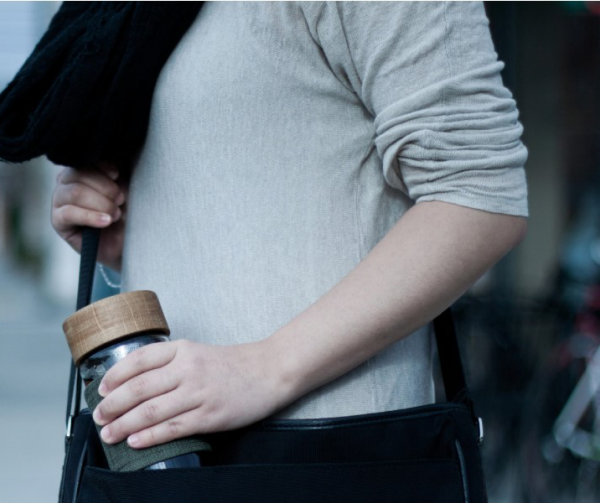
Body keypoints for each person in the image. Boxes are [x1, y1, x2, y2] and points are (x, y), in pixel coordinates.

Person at [49, 2, 528, 451]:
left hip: (329, 477)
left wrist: (265, 368)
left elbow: (479, 192)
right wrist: (126, 236)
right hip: (168, 478)